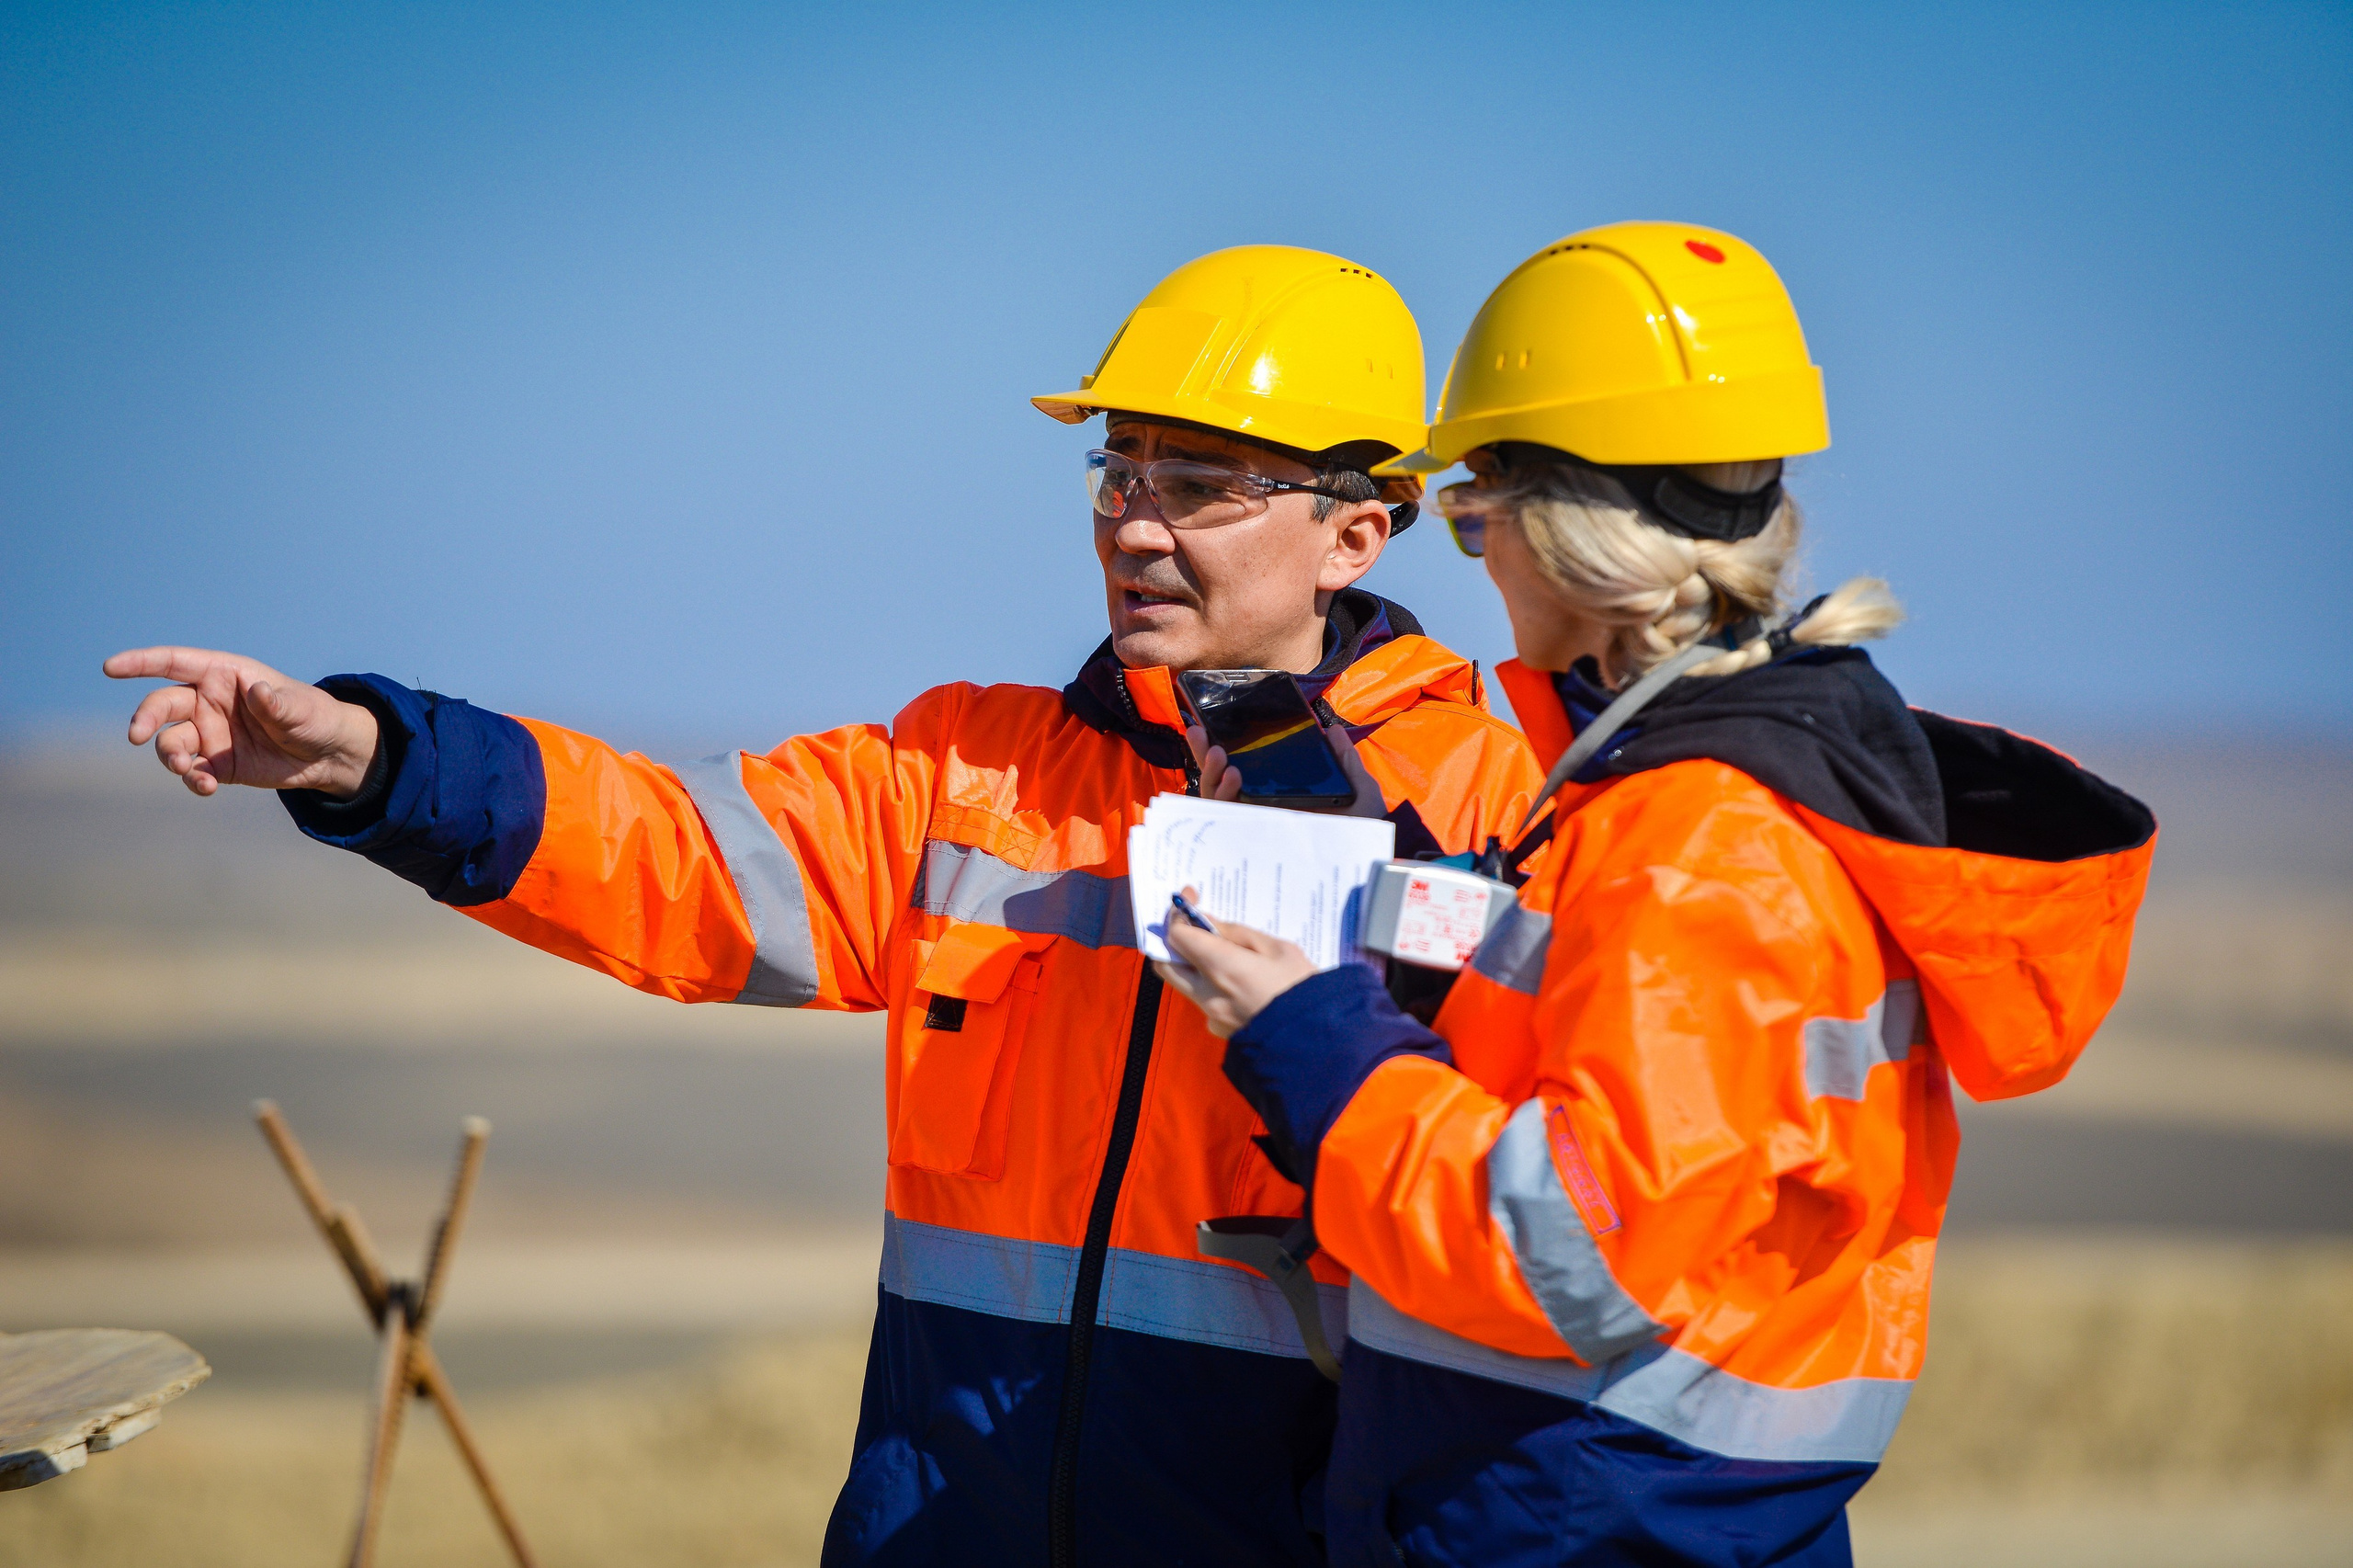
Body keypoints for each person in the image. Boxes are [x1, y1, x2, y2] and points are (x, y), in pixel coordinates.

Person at [105, 244, 1545, 1567]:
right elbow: (670, 848)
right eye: (1121, 471)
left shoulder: (1494, 808)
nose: (1138, 526)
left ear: (1359, 532)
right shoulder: (965, 770)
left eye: (1203, 481)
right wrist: (374, 757)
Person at [1158, 222, 2156, 1567]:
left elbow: (1566, 1244)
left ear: (1571, 535)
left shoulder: (1707, 839)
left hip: (1590, 1521)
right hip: (1603, 1505)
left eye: (1471, 514)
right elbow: (1592, 1000)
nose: (1473, 562)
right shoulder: (1680, 793)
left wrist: (1313, 1032)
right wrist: (1387, 879)